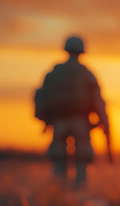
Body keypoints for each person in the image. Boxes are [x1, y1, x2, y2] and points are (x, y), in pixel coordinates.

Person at [34, 36, 110, 188]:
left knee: (59, 160)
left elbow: (41, 96)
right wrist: (102, 122)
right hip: (80, 122)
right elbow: (98, 100)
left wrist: (47, 120)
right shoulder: (86, 73)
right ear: (81, 51)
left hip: (58, 122)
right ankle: (79, 191)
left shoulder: (54, 73)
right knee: (82, 159)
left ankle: (58, 190)